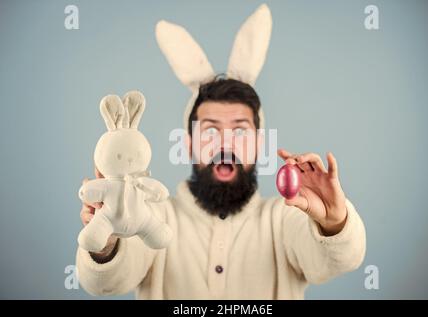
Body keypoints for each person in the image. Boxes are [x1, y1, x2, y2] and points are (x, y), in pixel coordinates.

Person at [76, 77, 366, 299]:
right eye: (210, 130)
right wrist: (109, 238)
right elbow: (103, 284)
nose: (225, 144)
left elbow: (336, 261)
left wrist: (333, 222)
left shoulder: (284, 217)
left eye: (240, 130)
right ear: (188, 144)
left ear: (258, 145)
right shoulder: (153, 215)